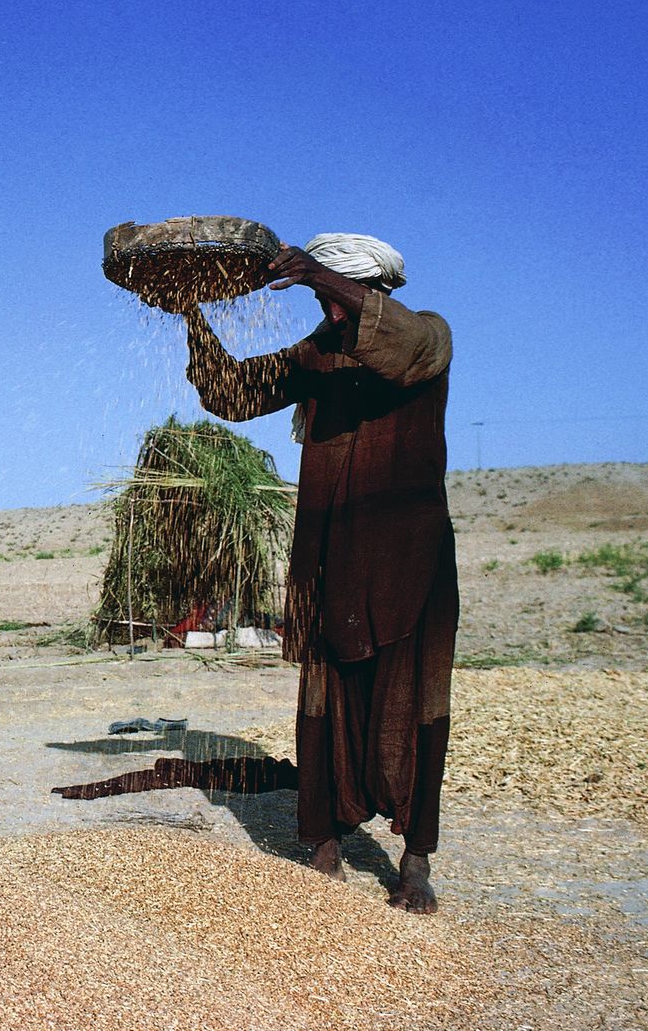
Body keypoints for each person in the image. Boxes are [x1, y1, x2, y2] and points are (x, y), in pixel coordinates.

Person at [173, 233, 457, 913]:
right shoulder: (319, 355)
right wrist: (189, 312)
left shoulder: (428, 339)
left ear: (370, 291)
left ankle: (414, 861)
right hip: (330, 556)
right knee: (324, 697)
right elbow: (234, 392)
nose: (330, 317)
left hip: (408, 559)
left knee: (413, 700)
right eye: (326, 300)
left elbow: (405, 347)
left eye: (337, 297)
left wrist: (318, 277)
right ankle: (324, 842)